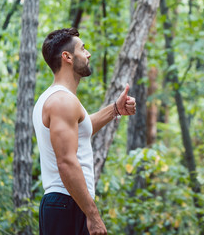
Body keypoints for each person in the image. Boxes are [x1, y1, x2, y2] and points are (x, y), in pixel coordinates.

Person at [33, 28, 136, 234]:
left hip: (66, 203)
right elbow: (66, 162)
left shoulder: (57, 98)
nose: (88, 54)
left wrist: (115, 109)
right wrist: (93, 216)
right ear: (67, 57)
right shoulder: (62, 101)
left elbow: (82, 128)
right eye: (83, 48)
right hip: (67, 203)